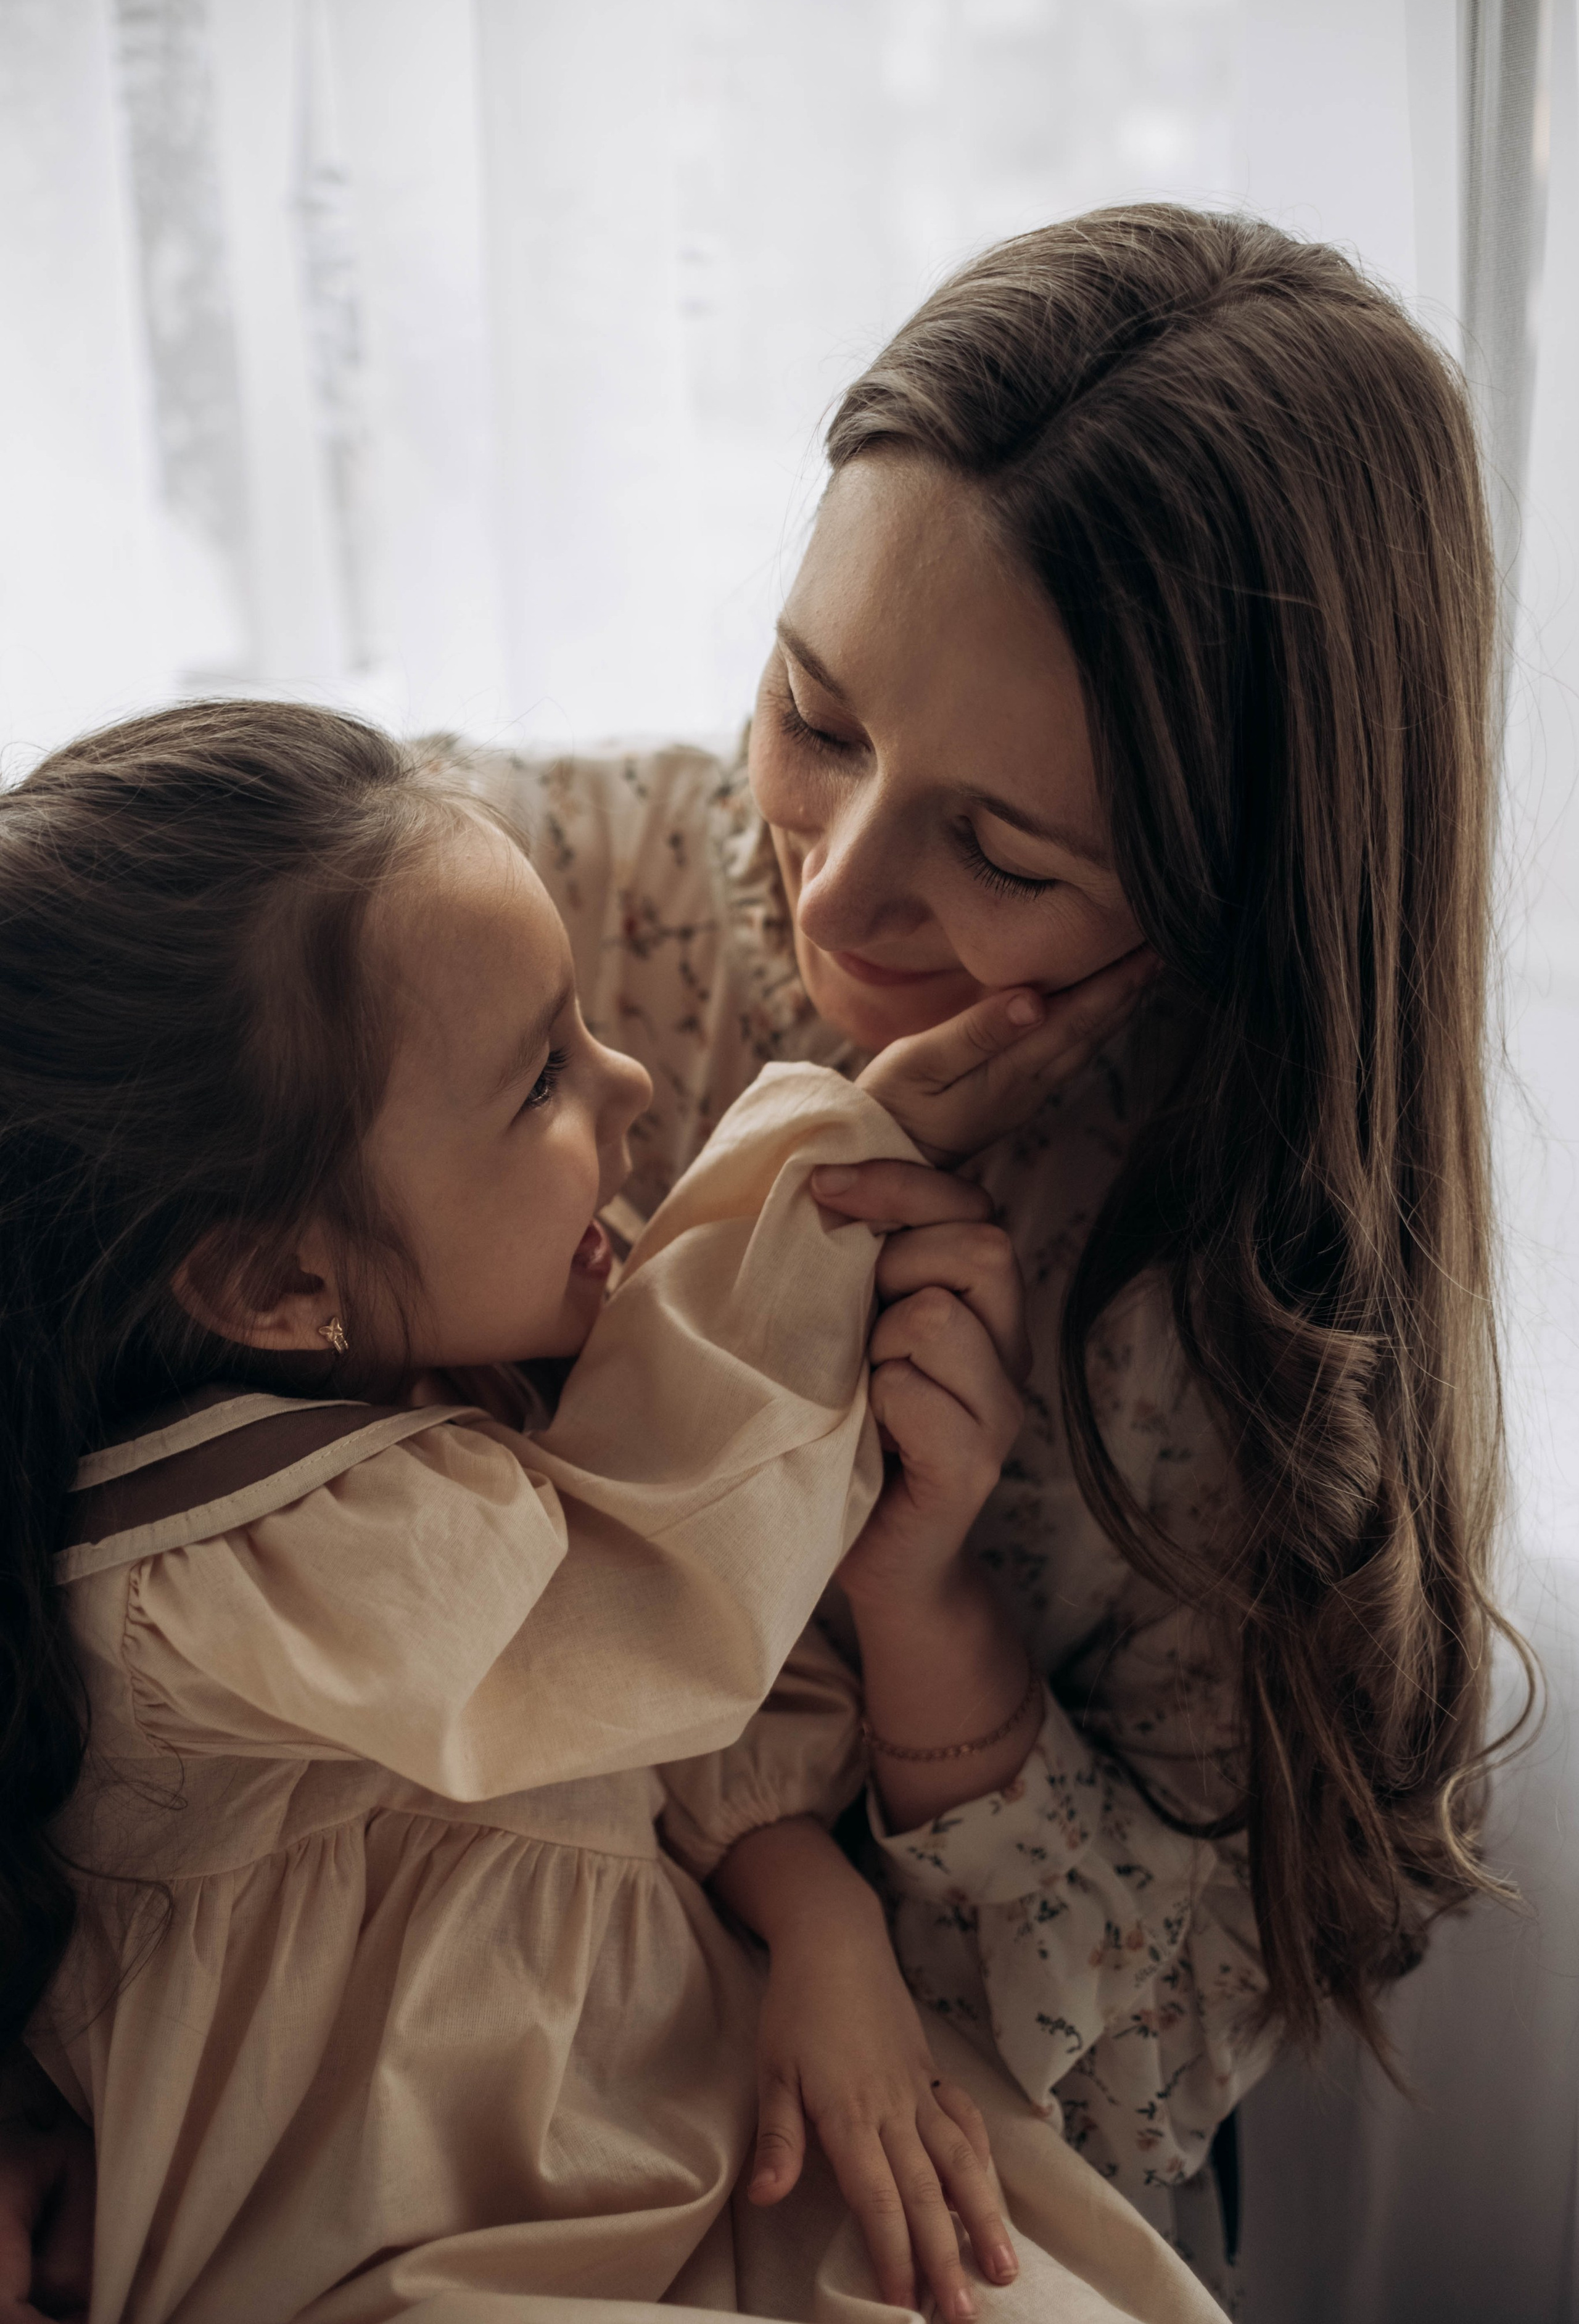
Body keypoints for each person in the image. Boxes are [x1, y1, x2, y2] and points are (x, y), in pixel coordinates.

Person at [1, 200, 1520, 2307]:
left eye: (999, 848)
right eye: (813, 712)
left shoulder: (1239, 1336)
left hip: (893, 2162)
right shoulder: (523, 896)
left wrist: (928, 1627)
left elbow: (1159, 2083)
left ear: (1228, 890)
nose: (838, 898)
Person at [0, 699, 1221, 2324]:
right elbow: (649, 1601)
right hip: (406, 2250)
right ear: (278, 1280)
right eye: (541, 1083)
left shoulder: (480, 1378)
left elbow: (685, 1691)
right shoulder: (214, 1575)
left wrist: (821, 1911)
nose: (639, 1080)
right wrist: (826, 1158)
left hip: (691, 2119)